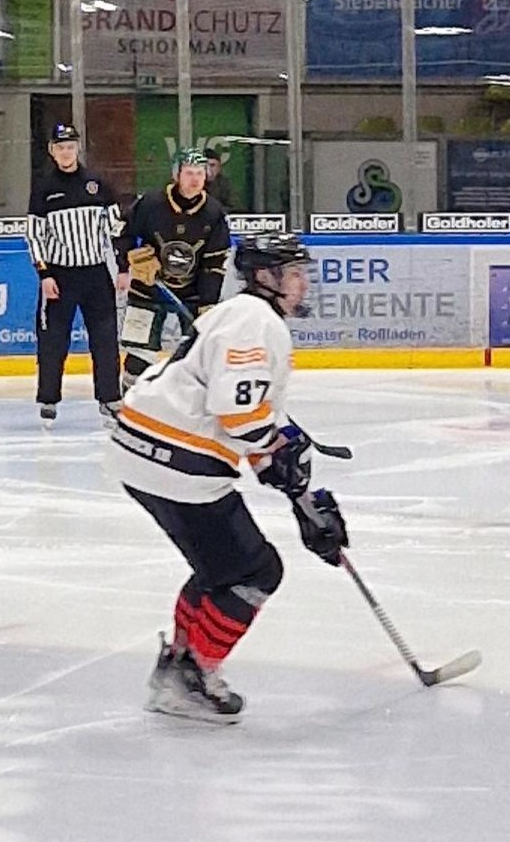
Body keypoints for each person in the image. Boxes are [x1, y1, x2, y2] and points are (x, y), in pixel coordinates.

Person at [109, 232, 345, 722]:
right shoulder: (257, 323)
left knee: (221, 570)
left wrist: (297, 489)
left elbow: (248, 419)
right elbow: (237, 412)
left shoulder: (239, 314)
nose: (304, 284)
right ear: (266, 276)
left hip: (144, 451)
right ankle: (191, 679)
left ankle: (179, 666)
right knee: (257, 571)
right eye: (295, 274)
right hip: (176, 459)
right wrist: (277, 456)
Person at [25, 124, 126, 427]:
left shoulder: (97, 184)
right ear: (51, 151)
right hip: (60, 277)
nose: (66, 152)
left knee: (105, 339)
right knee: (53, 340)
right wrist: (44, 274)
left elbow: (117, 228)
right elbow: (34, 235)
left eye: (70, 147)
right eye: (60, 148)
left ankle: (109, 398)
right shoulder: (43, 189)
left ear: (78, 148)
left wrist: (122, 267)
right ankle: (48, 398)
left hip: (96, 275)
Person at [115, 149, 232, 388]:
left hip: (193, 292)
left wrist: (207, 302)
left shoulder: (213, 212)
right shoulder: (151, 203)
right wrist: (129, 261)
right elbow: (123, 233)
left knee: (198, 354)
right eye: (189, 173)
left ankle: (187, 407)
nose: (195, 179)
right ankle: (129, 404)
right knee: (139, 355)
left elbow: (215, 261)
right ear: (176, 174)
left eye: (200, 173)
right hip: (148, 288)